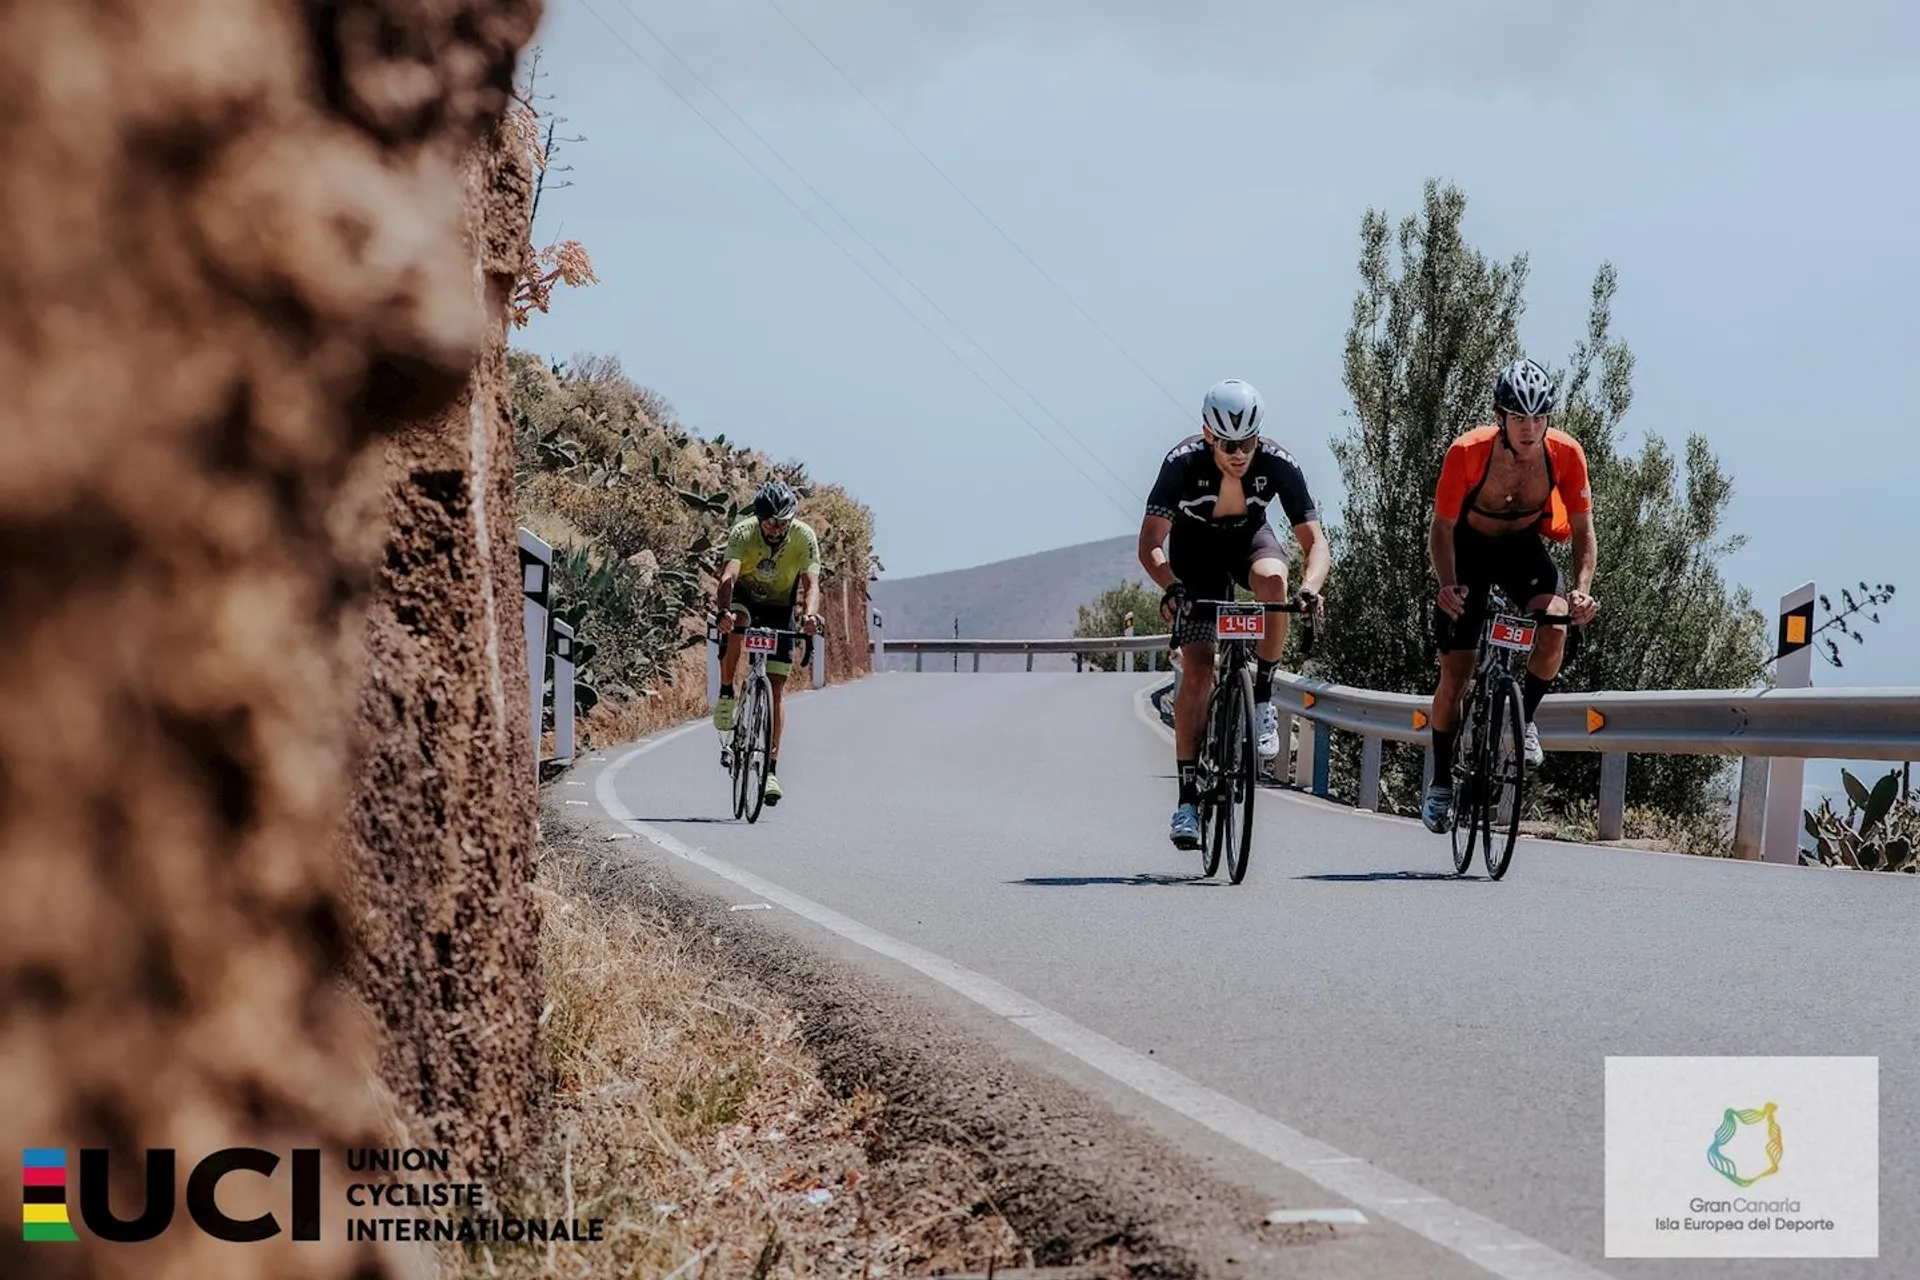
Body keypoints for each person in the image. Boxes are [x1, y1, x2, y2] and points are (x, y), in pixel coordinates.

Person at [1137, 378, 1329, 850]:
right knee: (1200, 671)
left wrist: (1310, 588)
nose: (1239, 453)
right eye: (1227, 444)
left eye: (1247, 442)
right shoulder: (1181, 463)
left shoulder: (1278, 463)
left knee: (1275, 582)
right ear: (1208, 435)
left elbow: (1316, 542)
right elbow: (1150, 545)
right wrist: (1172, 588)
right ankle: (1186, 800)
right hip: (1195, 558)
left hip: (1249, 542)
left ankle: (1262, 699)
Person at [1421, 357, 1600, 833]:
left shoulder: (1565, 454)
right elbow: (1440, 527)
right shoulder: (1467, 452)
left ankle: (1524, 719)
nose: (1529, 428)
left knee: (1556, 621)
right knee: (1455, 676)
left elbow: (1584, 531)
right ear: (1499, 417)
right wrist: (1447, 584)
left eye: (1539, 418)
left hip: (1521, 548)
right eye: (1519, 418)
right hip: (1469, 549)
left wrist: (1582, 592)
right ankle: (1440, 782)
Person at [712, 479, 825, 806]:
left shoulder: (804, 536)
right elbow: (728, 578)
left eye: (783, 523)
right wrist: (723, 612)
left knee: (776, 688)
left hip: (781, 609)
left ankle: (771, 769)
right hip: (746, 600)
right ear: (758, 519)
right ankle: (725, 691)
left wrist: (809, 617)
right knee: (738, 624)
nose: (776, 529)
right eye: (769, 523)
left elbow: (811, 584)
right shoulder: (742, 533)